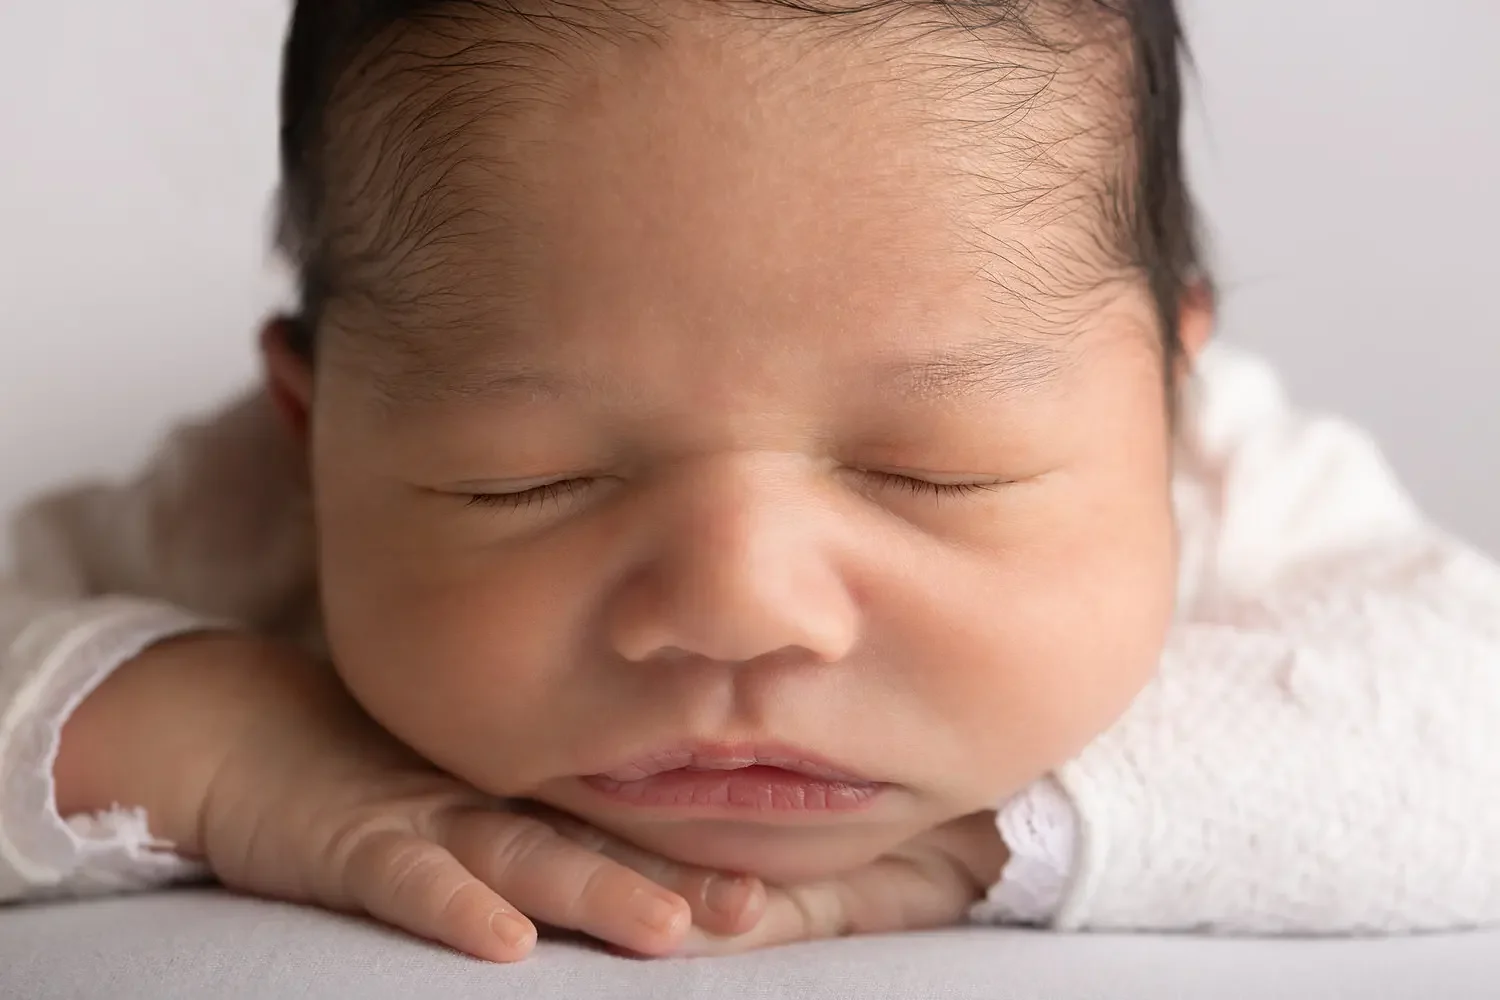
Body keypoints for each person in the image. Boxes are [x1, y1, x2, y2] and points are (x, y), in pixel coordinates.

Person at [3, 0, 1498, 964]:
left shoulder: (1233, 483)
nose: (735, 607)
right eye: (532, 481)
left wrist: (1017, 834)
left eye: (933, 475)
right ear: (315, 439)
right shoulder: (250, 508)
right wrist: (218, 744)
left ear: (1160, 412)